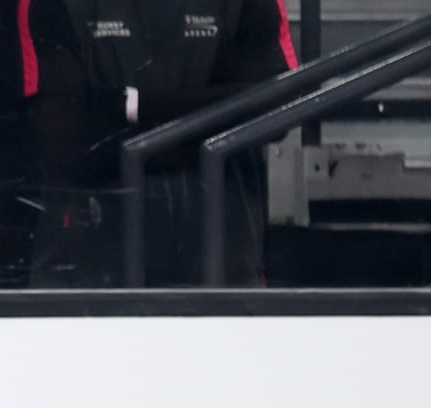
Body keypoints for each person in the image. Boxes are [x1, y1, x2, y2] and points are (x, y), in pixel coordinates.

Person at [20, 0, 297, 286]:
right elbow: (63, 139)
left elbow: (275, 109)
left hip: (220, 264)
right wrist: (211, 118)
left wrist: (130, 105)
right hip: (89, 271)